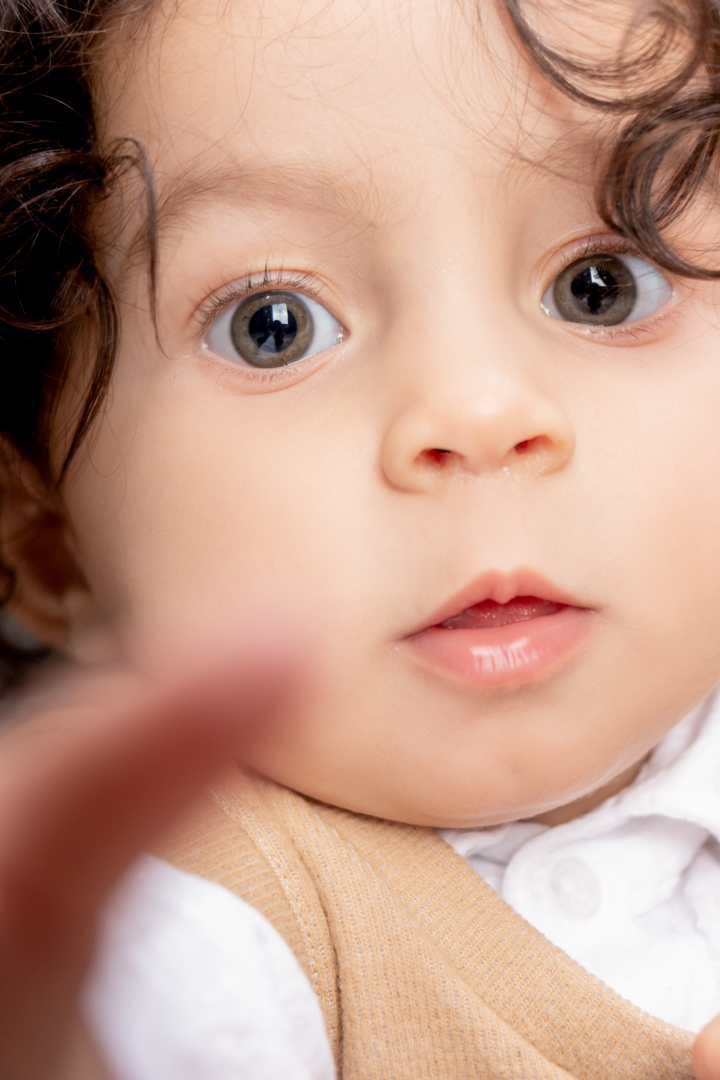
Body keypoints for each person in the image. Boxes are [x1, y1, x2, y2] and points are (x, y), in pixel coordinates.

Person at [3, 0, 720, 1075]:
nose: (478, 412)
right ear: (46, 544)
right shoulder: (195, 902)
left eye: (602, 288)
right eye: (274, 326)